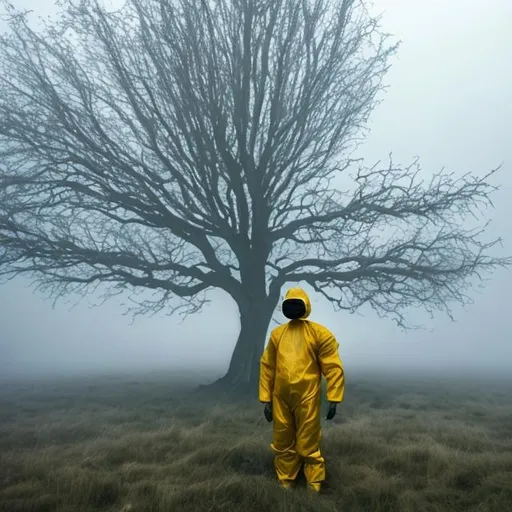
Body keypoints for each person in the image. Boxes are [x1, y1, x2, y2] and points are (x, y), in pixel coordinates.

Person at [259, 287, 345, 493]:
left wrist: (334, 397)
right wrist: (266, 398)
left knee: (308, 441)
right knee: (282, 440)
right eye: (291, 303)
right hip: (280, 397)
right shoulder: (277, 334)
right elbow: (268, 365)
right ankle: (286, 482)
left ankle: (313, 485)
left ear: (306, 306)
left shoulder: (320, 334)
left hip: (308, 396)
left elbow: (332, 367)